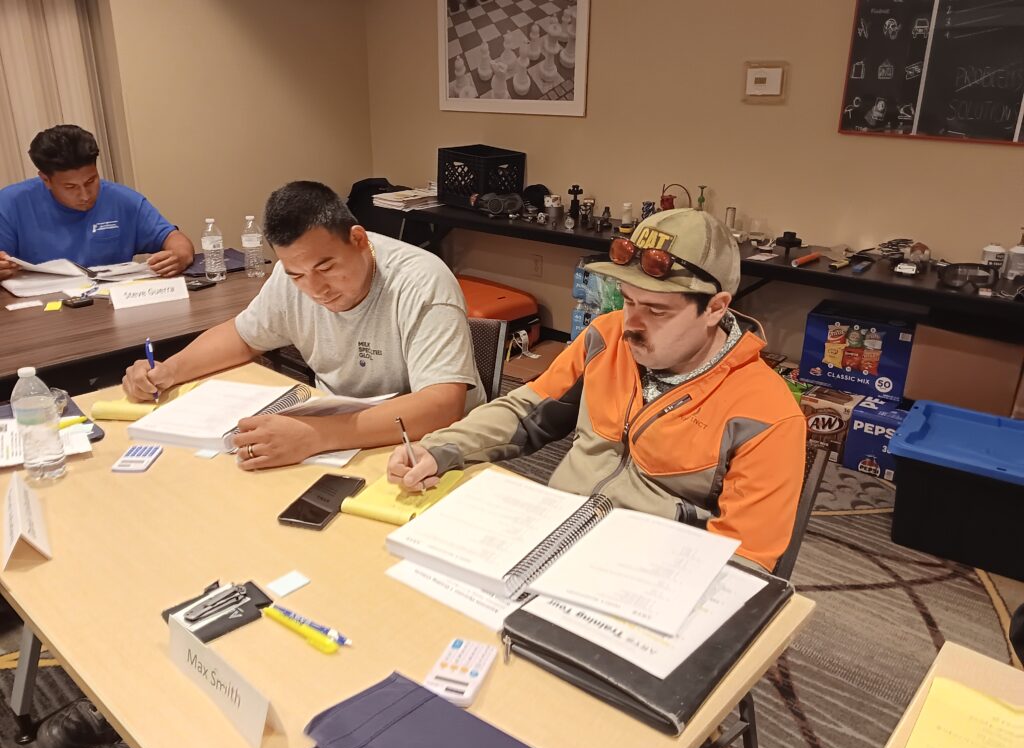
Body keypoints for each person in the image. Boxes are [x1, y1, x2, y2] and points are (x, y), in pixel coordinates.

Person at [389, 209, 807, 573]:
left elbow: (743, 562)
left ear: (715, 308)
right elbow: (524, 412)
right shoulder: (605, 338)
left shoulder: (766, 414)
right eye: (628, 300)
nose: (631, 324)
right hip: (549, 536)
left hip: (644, 575)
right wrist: (441, 447)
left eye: (656, 310)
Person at [122, 180, 484, 469]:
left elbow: (442, 406)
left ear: (359, 240)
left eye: (326, 267)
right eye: (297, 274)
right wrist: (168, 370)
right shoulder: (290, 276)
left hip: (428, 449)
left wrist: (315, 435)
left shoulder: (421, 282)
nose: (315, 289)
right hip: (339, 437)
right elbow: (242, 336)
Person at [0, 124, 193, 280]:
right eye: (70, 187)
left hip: (109, 304)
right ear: (45, 180)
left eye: (91, 181)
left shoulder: (122, 199)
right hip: (41, 307)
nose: (85, 195)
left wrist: (181, 255)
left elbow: (174, 238)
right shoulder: (10, 204)